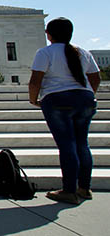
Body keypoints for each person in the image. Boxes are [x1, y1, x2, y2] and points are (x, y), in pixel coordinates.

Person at [28, 17, 100, 204]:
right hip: (85, 100)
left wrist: (34, 99)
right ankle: (84, 188)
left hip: (58, 100)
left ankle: (69, 190)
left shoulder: (46, 52)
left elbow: (36, 80)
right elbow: (95, 77)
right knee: (82, 143)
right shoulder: (83, 52)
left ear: (49, 34)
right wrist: (87, 95)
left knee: (67, 144)